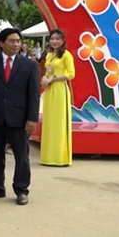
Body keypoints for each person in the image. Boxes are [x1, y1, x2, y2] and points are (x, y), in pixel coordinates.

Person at [0, 28, 40, 206]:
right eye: (12, 41)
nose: (16, 44)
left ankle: (21, 189)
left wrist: (32, 118)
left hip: (20, 118)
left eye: (18, 41)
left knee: (21, 155)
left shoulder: (30, 65)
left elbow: (34, 94)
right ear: (1, 43)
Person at [40, 29, 75, 167]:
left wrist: (53, 78)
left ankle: (60, 157)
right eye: (52, 38)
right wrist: (45, 78)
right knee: (49, 121)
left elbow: (71, 74)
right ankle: (48, 156)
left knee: (59, 122)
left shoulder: (66, 55)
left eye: (57, 39)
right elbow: (47, 71)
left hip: (60, 89)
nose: (54, 41)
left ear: (63, 41)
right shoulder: (49, 55)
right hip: (49, 90)